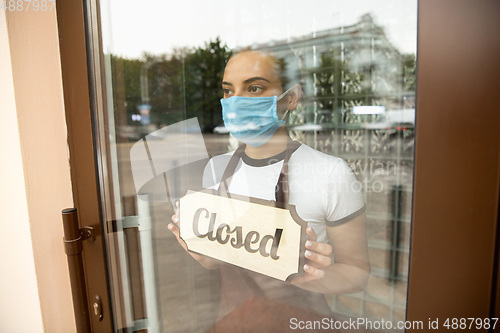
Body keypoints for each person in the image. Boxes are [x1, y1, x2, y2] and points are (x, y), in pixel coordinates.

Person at [168, 50, 369, 327]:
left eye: (254, 88)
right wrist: (205, 257)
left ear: (292, 97)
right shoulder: (216, 169)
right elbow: (219, 262)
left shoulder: (330, 173)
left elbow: (358, 273)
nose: (236, 101)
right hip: (233, 321)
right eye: (228, 91)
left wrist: (318, 277)